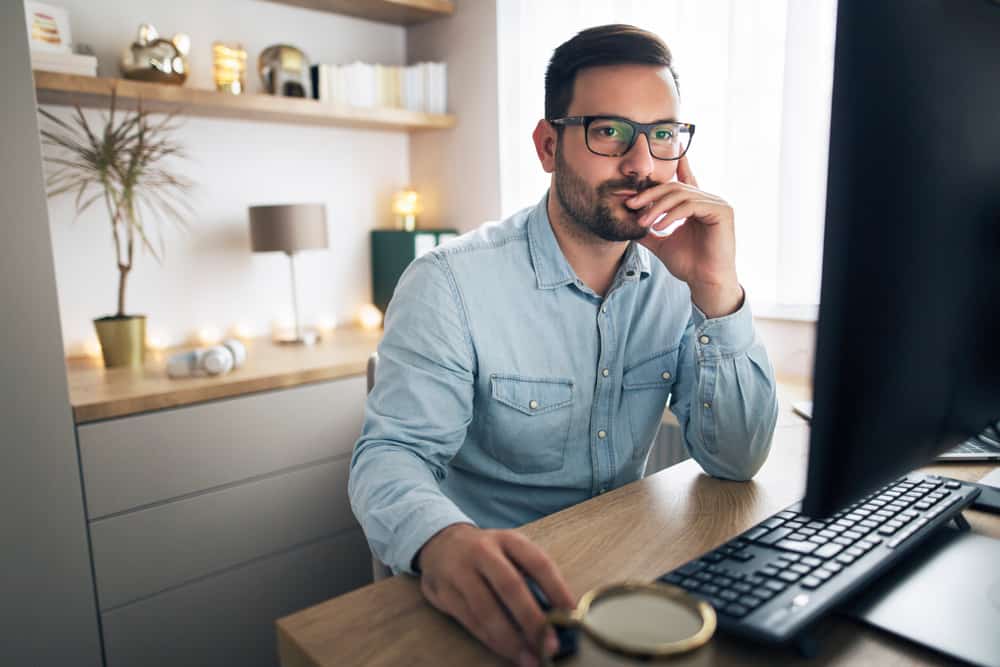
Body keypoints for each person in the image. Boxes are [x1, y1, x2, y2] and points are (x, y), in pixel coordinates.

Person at [349, 24, 779, 666]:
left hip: (624, 580)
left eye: (662, 135)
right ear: (548, 146)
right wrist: (441, 542)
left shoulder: (681, 277)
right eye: (610, 131)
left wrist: (716, 288)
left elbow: (737, 460)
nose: (641, 164)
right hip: (499, 598)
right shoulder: (449, 283)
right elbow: (391, 456)